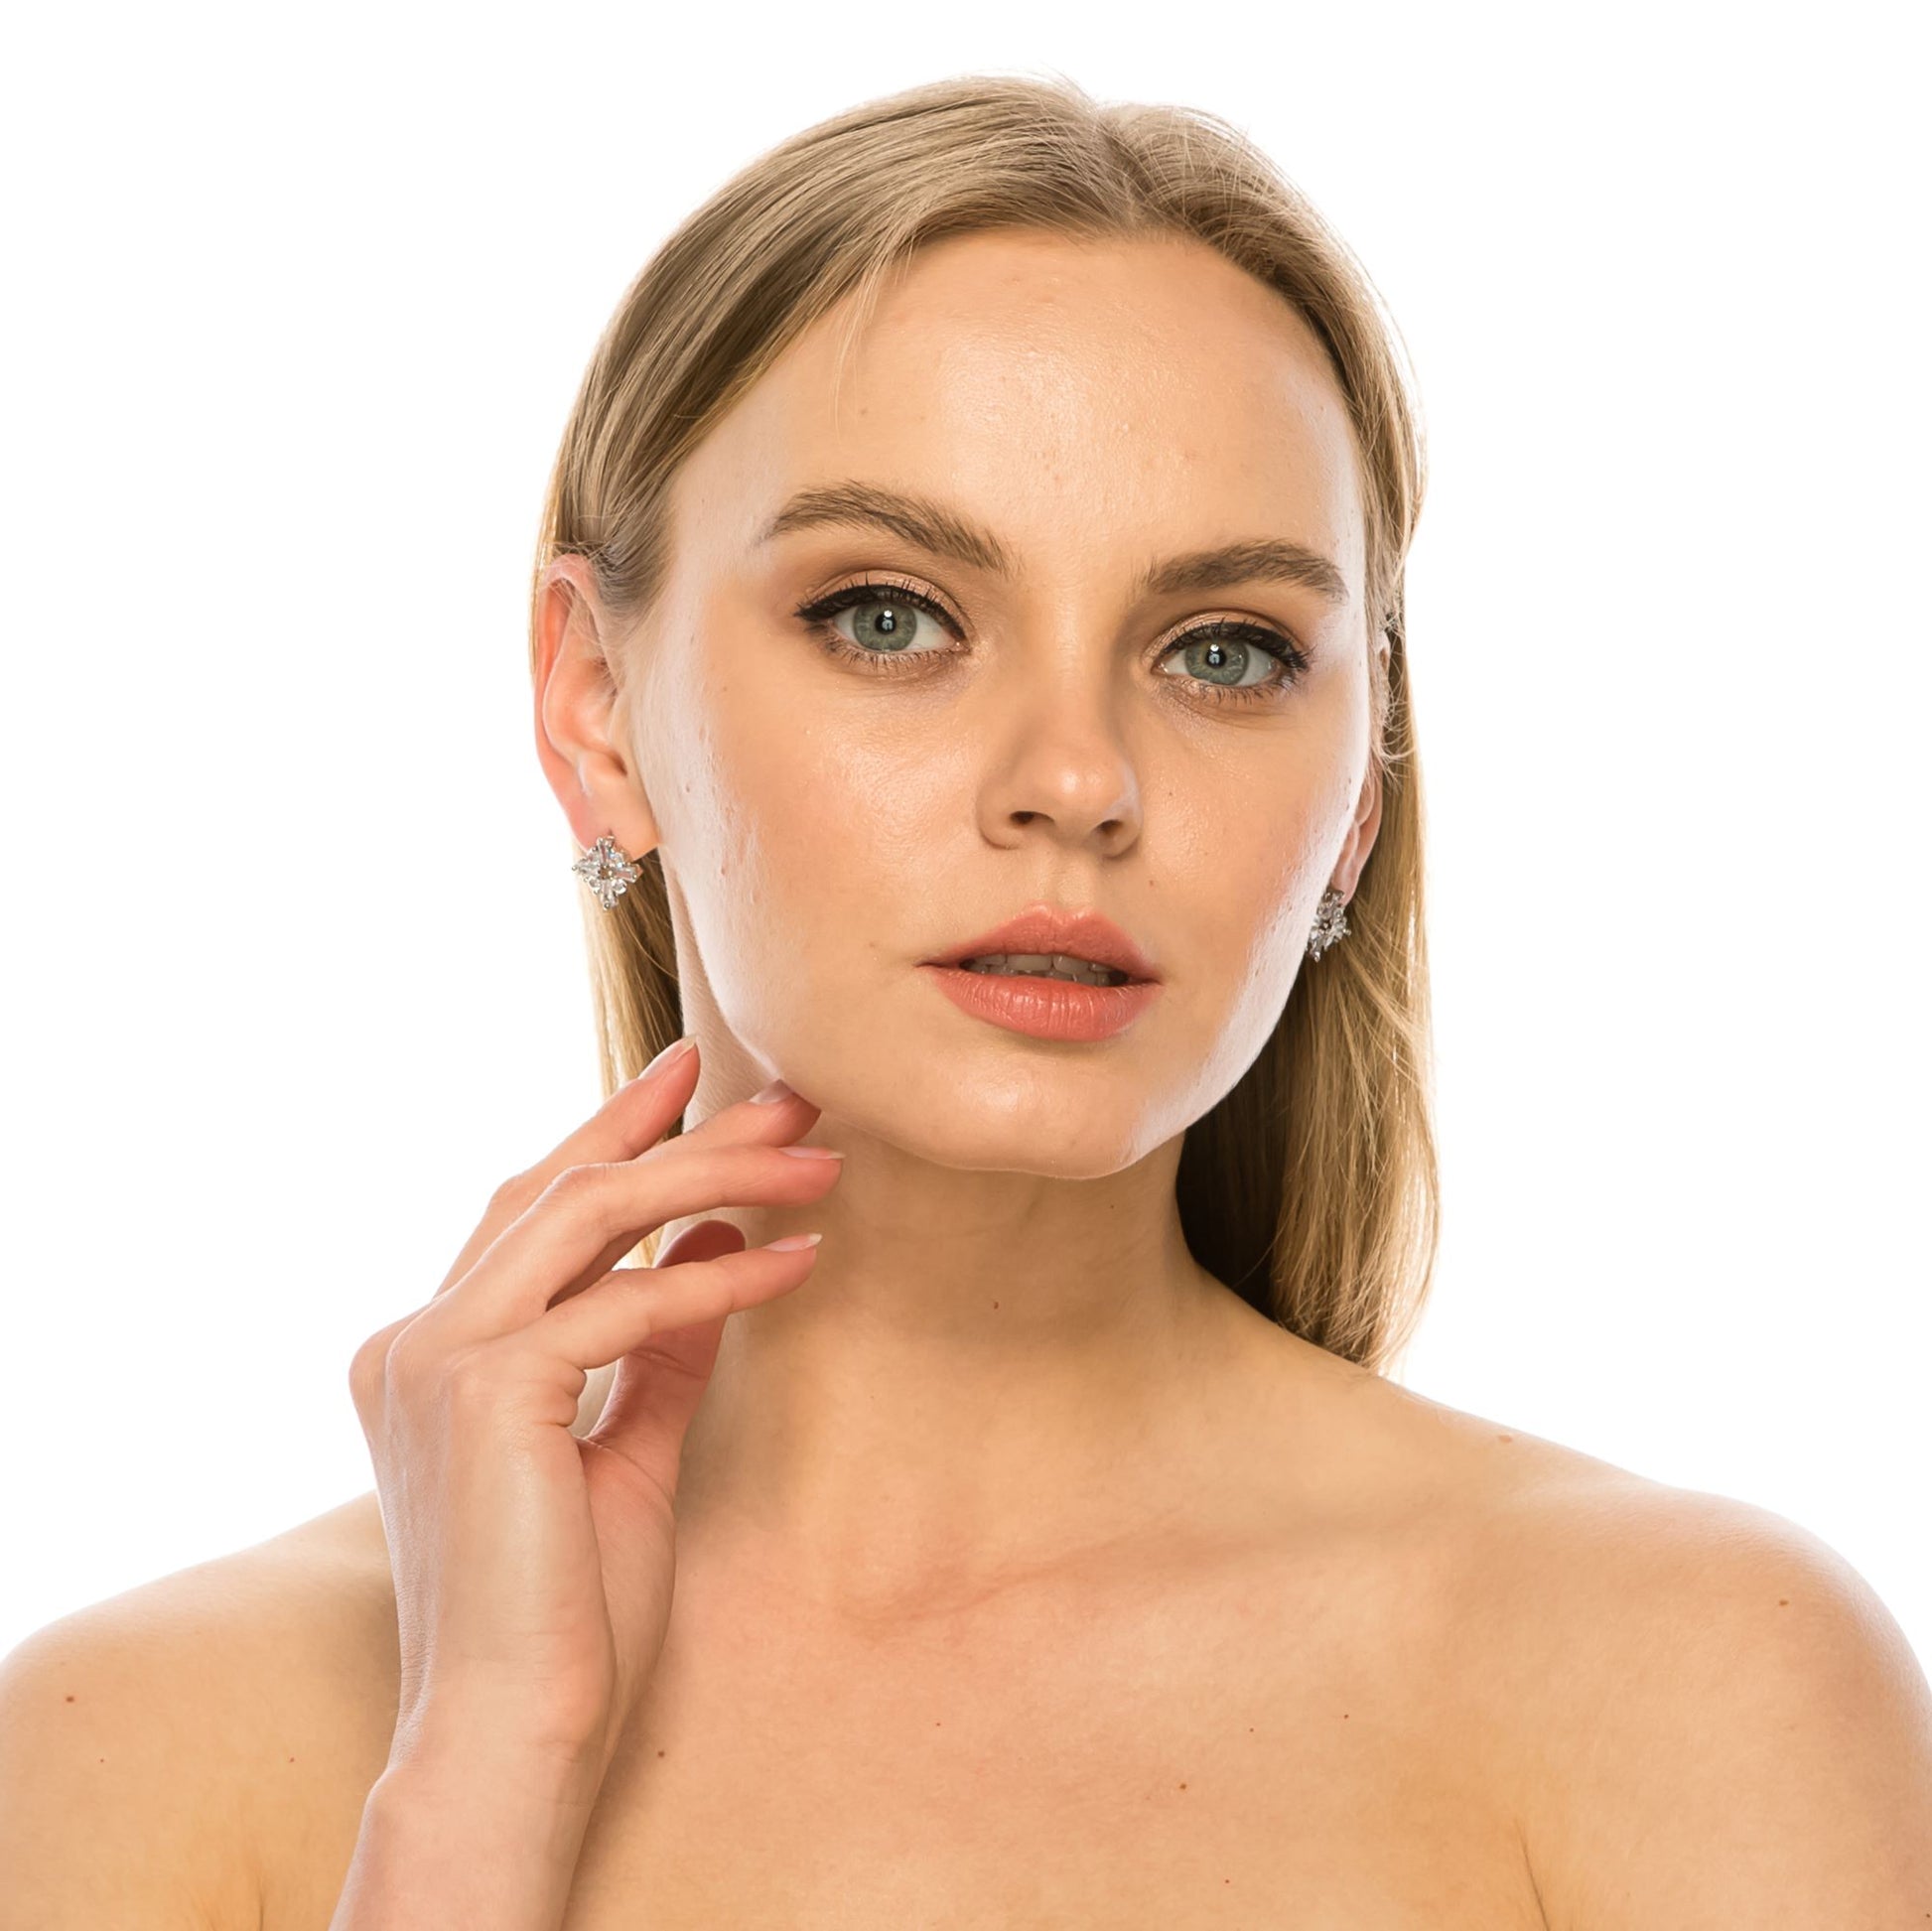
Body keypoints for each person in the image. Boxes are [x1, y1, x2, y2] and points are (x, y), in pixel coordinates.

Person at [4, 70, 1927, 1930]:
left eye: (1224, 650)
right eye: (890, 616)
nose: (1076, 779)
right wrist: (478, 1776)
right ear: (594, 707)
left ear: (1360, 790)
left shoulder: (1698, 1685)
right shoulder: (136, 1751)